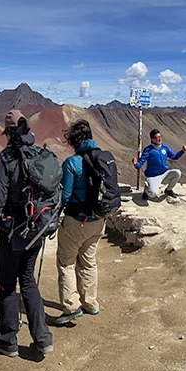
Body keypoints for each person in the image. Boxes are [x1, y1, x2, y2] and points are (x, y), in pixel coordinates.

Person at [0, 110, 55, 358]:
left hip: (12, 234)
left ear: (8, 133)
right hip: (36, 230)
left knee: (7, 285)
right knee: (27, 280)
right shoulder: (40, 154)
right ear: (28, 129)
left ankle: (6, 340)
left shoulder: (7, 158)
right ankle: (42, 338)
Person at [53, 120, 113, 325]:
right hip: (99, 221)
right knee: (88, 261)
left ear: (74, 140)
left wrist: (54, 218)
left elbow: (65, 195)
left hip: (77, 221)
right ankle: (90, 303)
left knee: (66, 262)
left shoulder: (72, 163)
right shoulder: (102, 158)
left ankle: (71, 307)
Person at [133, 129, 186, 200]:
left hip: (164, 174)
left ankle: (168, 190)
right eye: (157, 138)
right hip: (153, 176)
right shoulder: (148, 150)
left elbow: (174, 157)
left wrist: (182, 151)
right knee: (153, 194)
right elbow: (140, 163)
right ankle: (146, 190)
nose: (159, 139)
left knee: (177, 173)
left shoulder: (165, 147)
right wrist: (136, 164)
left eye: (160, 137)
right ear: (152, 139)